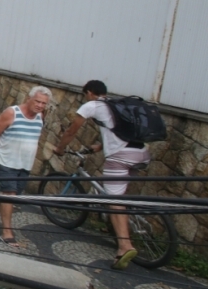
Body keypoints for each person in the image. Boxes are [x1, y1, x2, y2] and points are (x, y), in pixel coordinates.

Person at [54, 80, 151, 270]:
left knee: (112, 201)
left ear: (89, 92)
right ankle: (121, 226)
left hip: (120, 157)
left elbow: (72, 130)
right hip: (141, 153)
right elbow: (117, 133)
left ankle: (125, 246)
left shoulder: (92, 105)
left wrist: (60, 148)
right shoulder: (117, 105)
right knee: (120, 197)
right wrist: (98, 147)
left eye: (85, 95)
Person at [0, 86, 52, 246]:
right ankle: (7, 232)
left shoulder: (40, 116)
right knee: (9, 194)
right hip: (6, 161)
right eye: (37, 101)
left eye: (43, 103)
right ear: (29, 98)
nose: (40, 105)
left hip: (25, 164)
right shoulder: (12, 113)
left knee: (11, 196)